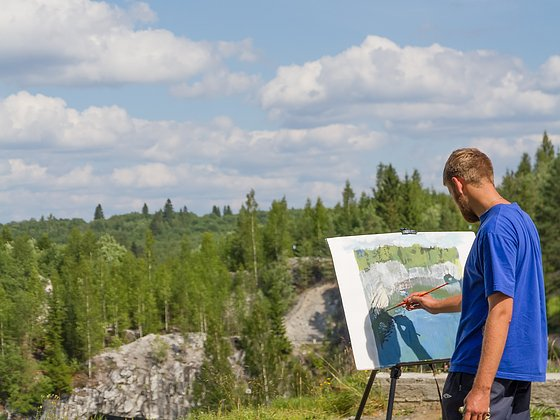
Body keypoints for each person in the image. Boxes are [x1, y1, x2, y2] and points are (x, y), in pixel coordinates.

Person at [405, 148, 548, 420]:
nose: (456, 202)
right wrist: (435, 306)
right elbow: (493, 294)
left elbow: (501, 309)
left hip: (482, 371)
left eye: (451, 193)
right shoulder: (521, 221)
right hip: (513, 371)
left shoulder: (494, 230)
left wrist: (480, 389)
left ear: (458, 185)